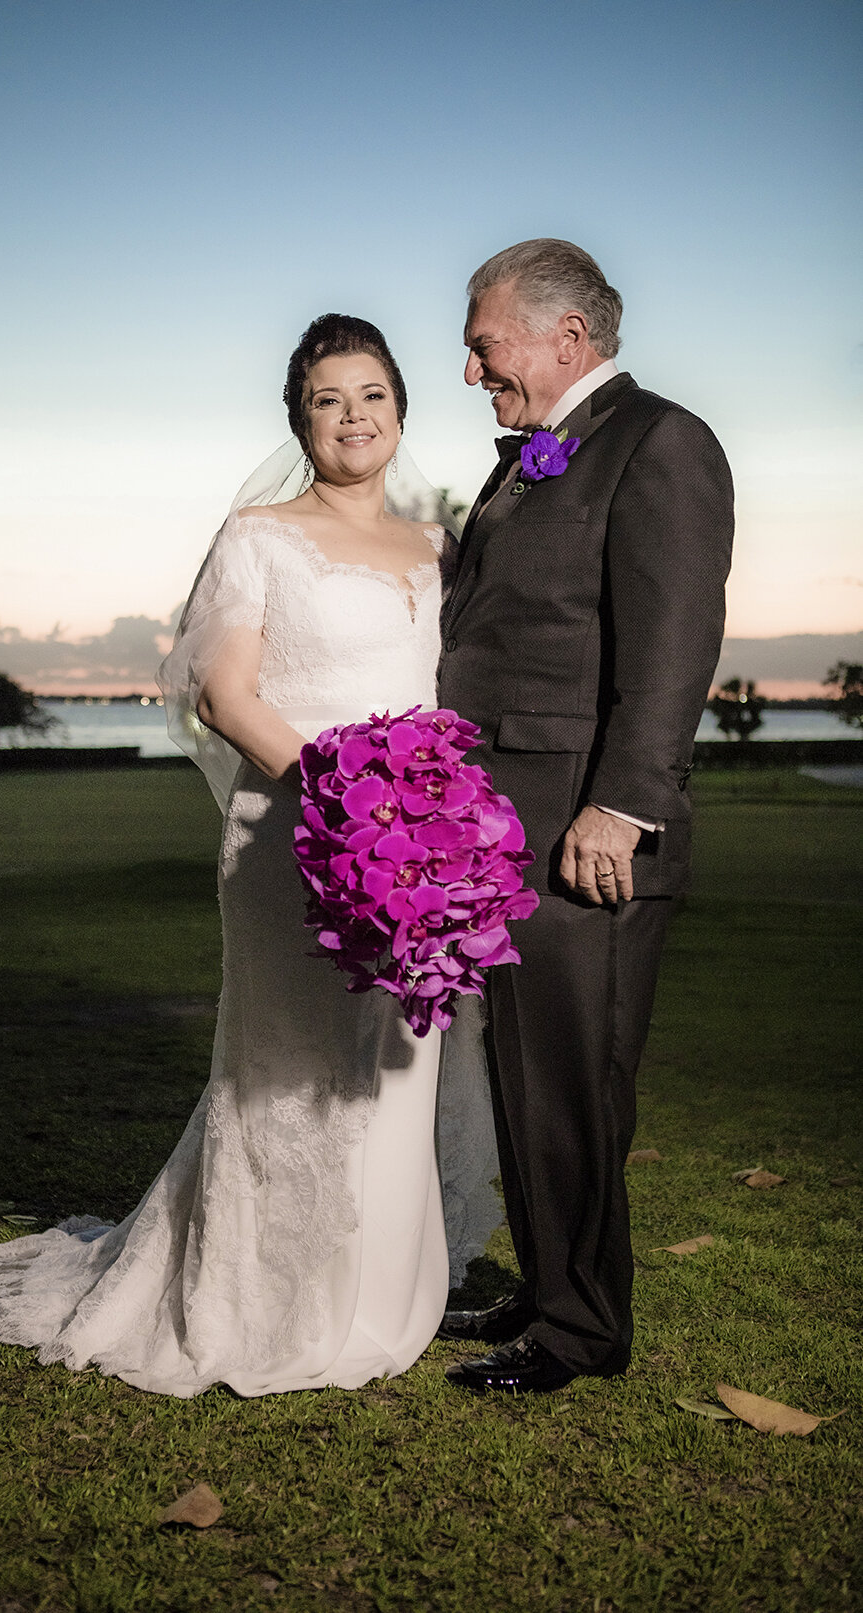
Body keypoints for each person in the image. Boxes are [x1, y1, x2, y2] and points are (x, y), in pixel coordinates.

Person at [0, 314, 501, 1397]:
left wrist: (428, 818)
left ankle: (385, 1296)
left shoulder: (440, 543)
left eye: (371, 394)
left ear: (402, 409)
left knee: (398, 1062)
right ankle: (260, 1297)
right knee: (288, 1071)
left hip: (420, 849)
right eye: (328, 400)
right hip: (296, 830)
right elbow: (224, 692)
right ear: (300, 420)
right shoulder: (257, 533)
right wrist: (348, 798)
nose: (353, 418)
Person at [437, 240, 734, 1395]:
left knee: (574, 1079)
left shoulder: (660, 444)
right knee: (527, 1070)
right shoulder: (531, 460)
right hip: (507, 826)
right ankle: (549, 1282)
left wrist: (618, 805)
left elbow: (669, 647)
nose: (471, 370)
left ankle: (580, 1333)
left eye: (483, 343)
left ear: (567, 337)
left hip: (583, 831)